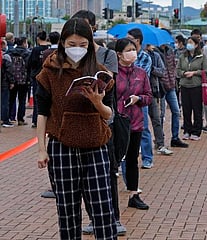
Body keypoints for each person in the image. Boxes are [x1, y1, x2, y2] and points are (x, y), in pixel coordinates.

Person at [36, 18, 117, 239]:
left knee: (102, 210)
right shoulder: (49, 73)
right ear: (62, 43)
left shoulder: (100, 73)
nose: (77, 49)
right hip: (62, 147)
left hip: (95, 146)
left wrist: (97, 102)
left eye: (83, 45)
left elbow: (110, 114)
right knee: (67, 211)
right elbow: (41, 113)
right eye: (72, 44)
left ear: (90, 44)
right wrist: (41, 149)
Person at [70, 9, 125, 235]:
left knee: (108, 174)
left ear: (93, 28)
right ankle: (94, 218)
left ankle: (114, 218)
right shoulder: (70, 56)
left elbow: (109, 83)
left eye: (84, 27)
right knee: (83, 179)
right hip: (78, 124)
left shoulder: (107, 54)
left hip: (104, 122)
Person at [115, 38, 153, 210]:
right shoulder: (113, 73)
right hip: (116, 123)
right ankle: (108, 198)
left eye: (133, 49)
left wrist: (139, 99)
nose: (132, 53)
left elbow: (149, 96)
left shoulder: (141, 73)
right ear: (119, 54)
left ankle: (133, 195)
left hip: (135, 123)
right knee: (113, 161)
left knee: (132, 160)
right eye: (128, 50)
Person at [126, 28, 155, 173]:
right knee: (125, 129)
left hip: (139, 99)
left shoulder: (145, 57)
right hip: (124, 99)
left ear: (137, 40)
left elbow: (140, 78)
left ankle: (147, 158)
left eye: (129, 38)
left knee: (143, 129)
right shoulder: (123, 56)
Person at [144, 44, 174, 160]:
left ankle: (160, 144)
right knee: (140, 122)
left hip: (152, 91)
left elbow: (162, 71)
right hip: (137, 93)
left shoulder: (155, 56)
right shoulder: (135, 57)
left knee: (156, 118)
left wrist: (152, 69)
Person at [158, 43, 189, 148]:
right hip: (160, 87)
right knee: (160, 115)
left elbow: (173, 68)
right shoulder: (155, 53)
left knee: (176, 111)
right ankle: (159, 140)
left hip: (171, 85)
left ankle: (175, 138)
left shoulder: (170, 51)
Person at [176, 37, 207, 141]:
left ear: (196, 45)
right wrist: (184, 73)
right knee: (186, 110)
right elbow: (178, 70)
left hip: (196, 86)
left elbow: (206, 72)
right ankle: (187, 130)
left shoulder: (202, 57)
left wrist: (194, 73)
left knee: (197, 110)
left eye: (191, 43)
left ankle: (196, 131)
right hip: (185, 86)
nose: (188, 44)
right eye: (187, 43)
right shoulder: (182, 57)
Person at [27, 31, 50, 128]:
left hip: (37, 77)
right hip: (48, 77)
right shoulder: (49, 50)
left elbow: (31, 63)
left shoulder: (36, 50)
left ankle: (36, 120)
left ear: (38, 38)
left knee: (38, 99)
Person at [8, 37, 31, 126]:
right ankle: (20, 119)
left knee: (11, 99)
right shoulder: (27, 53)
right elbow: (29, 67)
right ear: (24, 43)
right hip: (23, 80)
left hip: (12, 80)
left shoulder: (10, 52)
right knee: (22, 100)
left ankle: (9, 117)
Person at [1, 40, 14, 128]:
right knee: (5, 102)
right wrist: (12, 81)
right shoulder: (5, 56)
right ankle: (5, 120)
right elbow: (9, 71)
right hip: (4, 83)